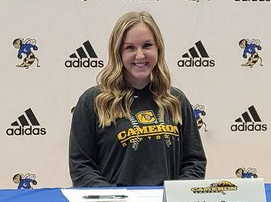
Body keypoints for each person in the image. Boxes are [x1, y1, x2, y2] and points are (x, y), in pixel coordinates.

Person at [69, 10, 206, 187]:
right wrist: (119, 200)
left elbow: (194, 163)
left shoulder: (176, 100)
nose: (140, 55)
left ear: (159, 49)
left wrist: (174, 197)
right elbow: (81, 167)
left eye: (147, 45)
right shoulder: (94, 102)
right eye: (130, 47)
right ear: (118, 52)